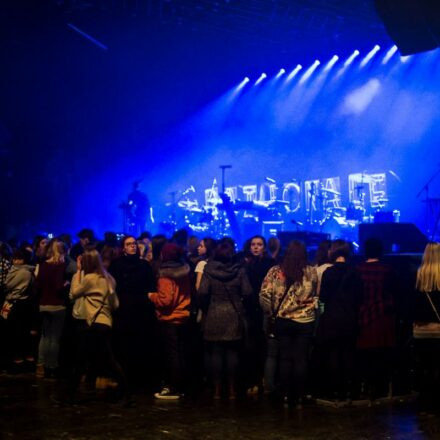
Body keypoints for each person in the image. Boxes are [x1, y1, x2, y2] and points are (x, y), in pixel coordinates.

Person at [65, 249, 128, 403]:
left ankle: (69, 395)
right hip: (105, 323)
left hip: (92, 323)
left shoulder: (89, 278)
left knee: (80, 360)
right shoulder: (109, 278)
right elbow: (116, 303)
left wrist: (78, 273)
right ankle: (127, 392)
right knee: (110, 360)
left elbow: (73, 294)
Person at [260, 240, 318, 407]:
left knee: (284, 358)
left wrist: (271, 313)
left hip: (283, 320)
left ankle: (285, 395)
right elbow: (315, 294)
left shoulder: (275, 271)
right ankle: (299, 395)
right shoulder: (311, 272)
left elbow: (264, 295)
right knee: (301, 359)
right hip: (305, 320)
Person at [198, 242, 253, 399]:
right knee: (232, 353)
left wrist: (205, 307)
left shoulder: (209, 270)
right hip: (233, 314)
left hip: (214, 313)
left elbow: (202, 292)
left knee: (216, 353)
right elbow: (248, 292)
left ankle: (216, 389)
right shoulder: (239, 270)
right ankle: (232, 389)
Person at [315, 240, 363, 403]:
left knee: (333, 355)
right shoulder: (355, 272)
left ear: (333, 252)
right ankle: (348, 390)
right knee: (348, 354)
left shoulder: (329, 272)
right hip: (349, 317)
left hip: (332, 318)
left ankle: (335, 390)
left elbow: (323, 297)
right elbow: (359, 297)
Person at [109, 235, 157, 392]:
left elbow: (150, 285)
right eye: (129, 244)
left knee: (139, 343)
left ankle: (139, 378)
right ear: (123, 247)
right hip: (123, 309)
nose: (133, 246)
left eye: (134, 244)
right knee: (124, 344)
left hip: (141, 310)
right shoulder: (116, 265)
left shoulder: (144, 265)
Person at [148, 243, 191, 399]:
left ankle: (173, 387)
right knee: (180, 354)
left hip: (170, 318)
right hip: (183, 317)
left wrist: (151, 296)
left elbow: (166, 301)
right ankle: (182, 385)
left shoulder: (165, 276)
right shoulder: (184, 272)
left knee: (171, 355)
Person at [356, 238, 398, 400]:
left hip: (363, 316)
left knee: (365, 355)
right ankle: (380, 388)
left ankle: (366, 387)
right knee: (382, 354)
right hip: (383, 317)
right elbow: (395, 294)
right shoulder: (388, 270)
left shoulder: (358, 270)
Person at [243, 235, 275, 395]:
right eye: (253, 244)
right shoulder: (245, 264)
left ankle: (263, 379)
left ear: (264, 247)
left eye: (259, 244)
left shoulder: (270, 265)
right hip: (250, 309)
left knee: (263, 345)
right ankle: (255, 379)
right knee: (252, 346)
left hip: (263, 309)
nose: (256, 247)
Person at [35, 239, 69, 379]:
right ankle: (51, 367)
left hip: (44, 304)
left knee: (44, 337)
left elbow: (37, 286)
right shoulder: (60, 265)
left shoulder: (44, 265)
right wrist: (66, 284)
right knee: (54, 338)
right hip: (57, 305)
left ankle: (40, 367)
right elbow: (58, 287)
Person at [413, 242, 440, 410]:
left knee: (423, 367)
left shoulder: (418, 277)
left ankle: (424, 404)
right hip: (438, 330)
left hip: (421, 330)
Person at [1, 248, 36, 372]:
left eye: (19, 259)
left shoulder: (24, 272)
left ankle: (18, 365)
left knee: (17, 334)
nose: (16, 261)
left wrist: (6, 285)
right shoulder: (18, 270)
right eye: (15, 258)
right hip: (16, 303)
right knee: (16, 334)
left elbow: (7, 285)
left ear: (23, 260)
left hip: (19, 304)